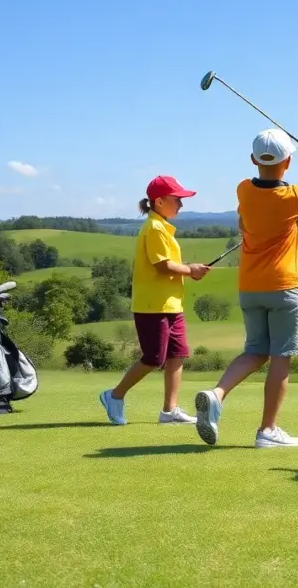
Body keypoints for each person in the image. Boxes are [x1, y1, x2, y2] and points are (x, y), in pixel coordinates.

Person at [193, 128, 298, 448]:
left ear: (253, 160)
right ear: (288, 162)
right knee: (281, 357)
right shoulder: (293, 196)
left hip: (250, 286)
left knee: (255, 352)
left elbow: (243, 223)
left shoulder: (243, 189)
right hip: (283, 286)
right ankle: (267, 430)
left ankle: (217, 394)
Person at [99, 176, 210, 425]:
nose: (181, 204)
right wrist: (190, 270)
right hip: (152, 306)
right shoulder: (154, 228)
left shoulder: (162, 226)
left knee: (177, 354)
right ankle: (114, 396)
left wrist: (190, 270)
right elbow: (162, 266)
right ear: (159, 201)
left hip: (170, 304)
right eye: (177, 199)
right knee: (154, 358)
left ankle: (169, 410)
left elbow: (168, 266)